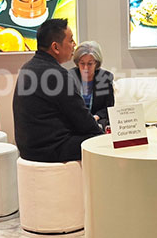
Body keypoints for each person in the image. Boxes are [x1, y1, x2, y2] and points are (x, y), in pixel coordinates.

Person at [13, 18, 103, 162]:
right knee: (100, 142)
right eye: (71, 40)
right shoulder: (57, 75)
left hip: (28, 148)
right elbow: (82, 119)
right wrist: (102, 134)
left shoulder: (28, 67)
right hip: (50, 149)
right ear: (55, 47)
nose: (74, 45)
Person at [70, 41, 114, 129]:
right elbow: (66, 106)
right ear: (77, 63)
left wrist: (96, 117)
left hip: (97, 121)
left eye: (90, 64)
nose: (85, 68)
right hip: (74, 121)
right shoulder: (69, 77)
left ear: (96, 63)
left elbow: (108, 107)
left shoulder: (105, 78)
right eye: (82, 63)